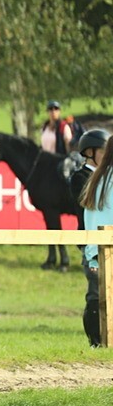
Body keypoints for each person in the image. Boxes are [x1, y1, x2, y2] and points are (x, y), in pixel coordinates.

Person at [79, 130, 113, 347]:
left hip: (93, 249)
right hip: (107, 248)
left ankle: (96, 344)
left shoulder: (97, 179)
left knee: (96, 299)